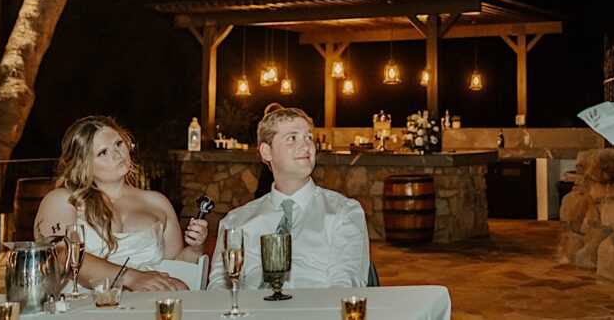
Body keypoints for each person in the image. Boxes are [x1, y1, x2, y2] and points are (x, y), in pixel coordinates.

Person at [35, 116, 209, 291]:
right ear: (83, 164)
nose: (117, 155)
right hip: (84, 305)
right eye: (103, 152)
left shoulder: (157, 202)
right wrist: (131, 277)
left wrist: (195, 249)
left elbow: (173, 266)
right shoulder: (63, 200)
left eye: (118, 144)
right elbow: (62, 254)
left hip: (147, 303)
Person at [208, 107, 369, 289]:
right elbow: (219, 289)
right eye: (292, 138)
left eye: (308, 137)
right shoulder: (236, 221)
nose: (306, 145)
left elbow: (346, 284)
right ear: (267, 152)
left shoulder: (343, 213)